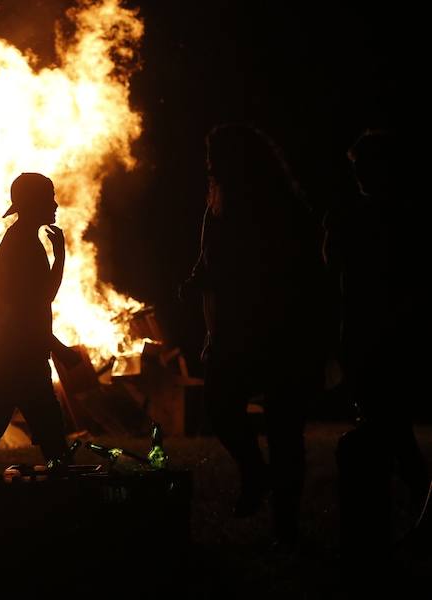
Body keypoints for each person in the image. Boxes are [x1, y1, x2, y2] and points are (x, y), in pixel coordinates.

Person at [181, 124, 326, 545]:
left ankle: (286, 525)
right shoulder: (216, 207)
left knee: (285, 432)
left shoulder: (284, 211)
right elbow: (209, 259)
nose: (210, 165)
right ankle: (254, 472)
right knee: (220, 406)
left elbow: (303, 275)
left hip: (282, 334)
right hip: (229, 333)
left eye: (217, 156)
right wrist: (195, 279)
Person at [326, 130, 429, 563]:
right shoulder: (375, 215)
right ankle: (407, 510)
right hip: (368, 337)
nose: (360, 175)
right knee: (389, 426)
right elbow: (332, 264)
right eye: (356, 168)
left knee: (387, 426)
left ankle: (404, 512)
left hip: (388, 340)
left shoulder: (397, 219)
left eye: (366, 167)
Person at [0, 172, 78, 474]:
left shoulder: (25, 241)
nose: (55, 203)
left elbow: (41, 299)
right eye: (48, 196)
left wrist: (59, 256)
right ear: (33, 202)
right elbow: (25, 311)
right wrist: (60, 349)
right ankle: (63, 492)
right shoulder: (22, 246)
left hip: (12, 353)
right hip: (13, 355)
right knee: (40, 430)